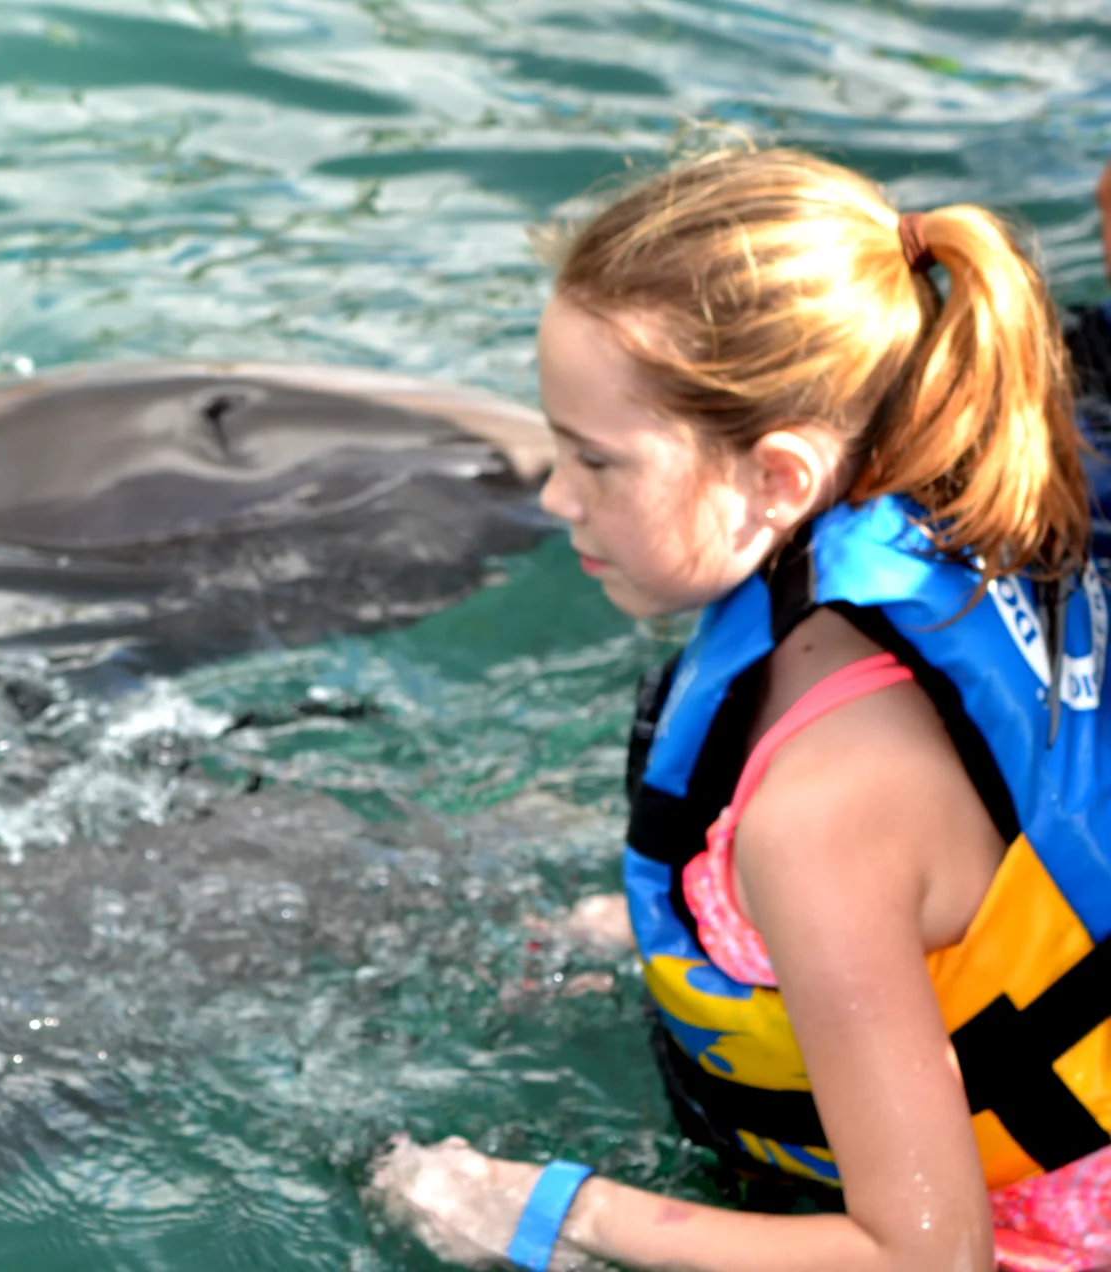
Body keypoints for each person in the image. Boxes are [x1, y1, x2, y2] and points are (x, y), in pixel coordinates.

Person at [370, 148, 1111, 1271]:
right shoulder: (930, 519)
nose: (557, 496)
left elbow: (929, 1257)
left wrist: (544, 1212)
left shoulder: (821, 818)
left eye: (597, 461)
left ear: (778, 478)